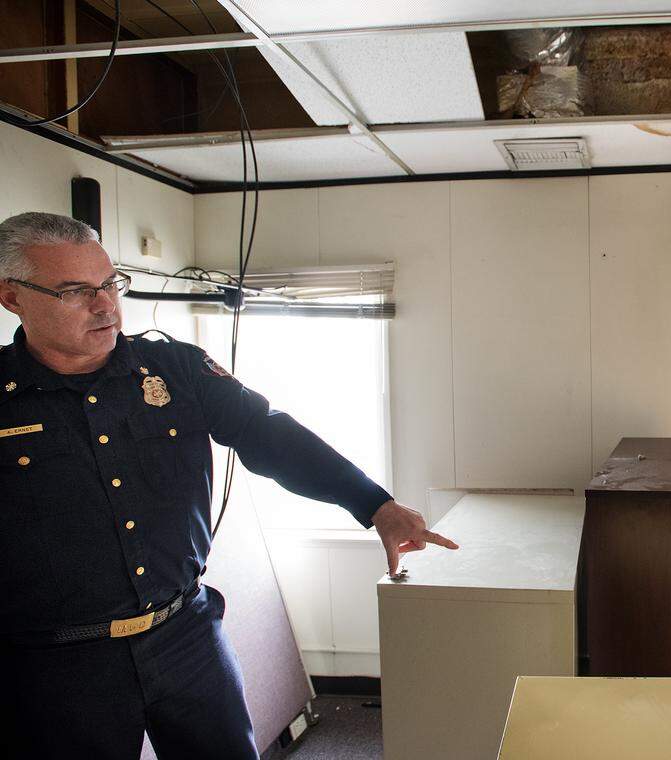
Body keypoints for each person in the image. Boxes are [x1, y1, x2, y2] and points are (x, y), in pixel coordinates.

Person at [0, 211, 458, 758]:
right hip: (55, 664)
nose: (104, 305)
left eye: (108, 284)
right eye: (75, 291)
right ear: (12, 298)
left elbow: (269, 436)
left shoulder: (175, 369)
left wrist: (374, 504)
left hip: (184, 637)